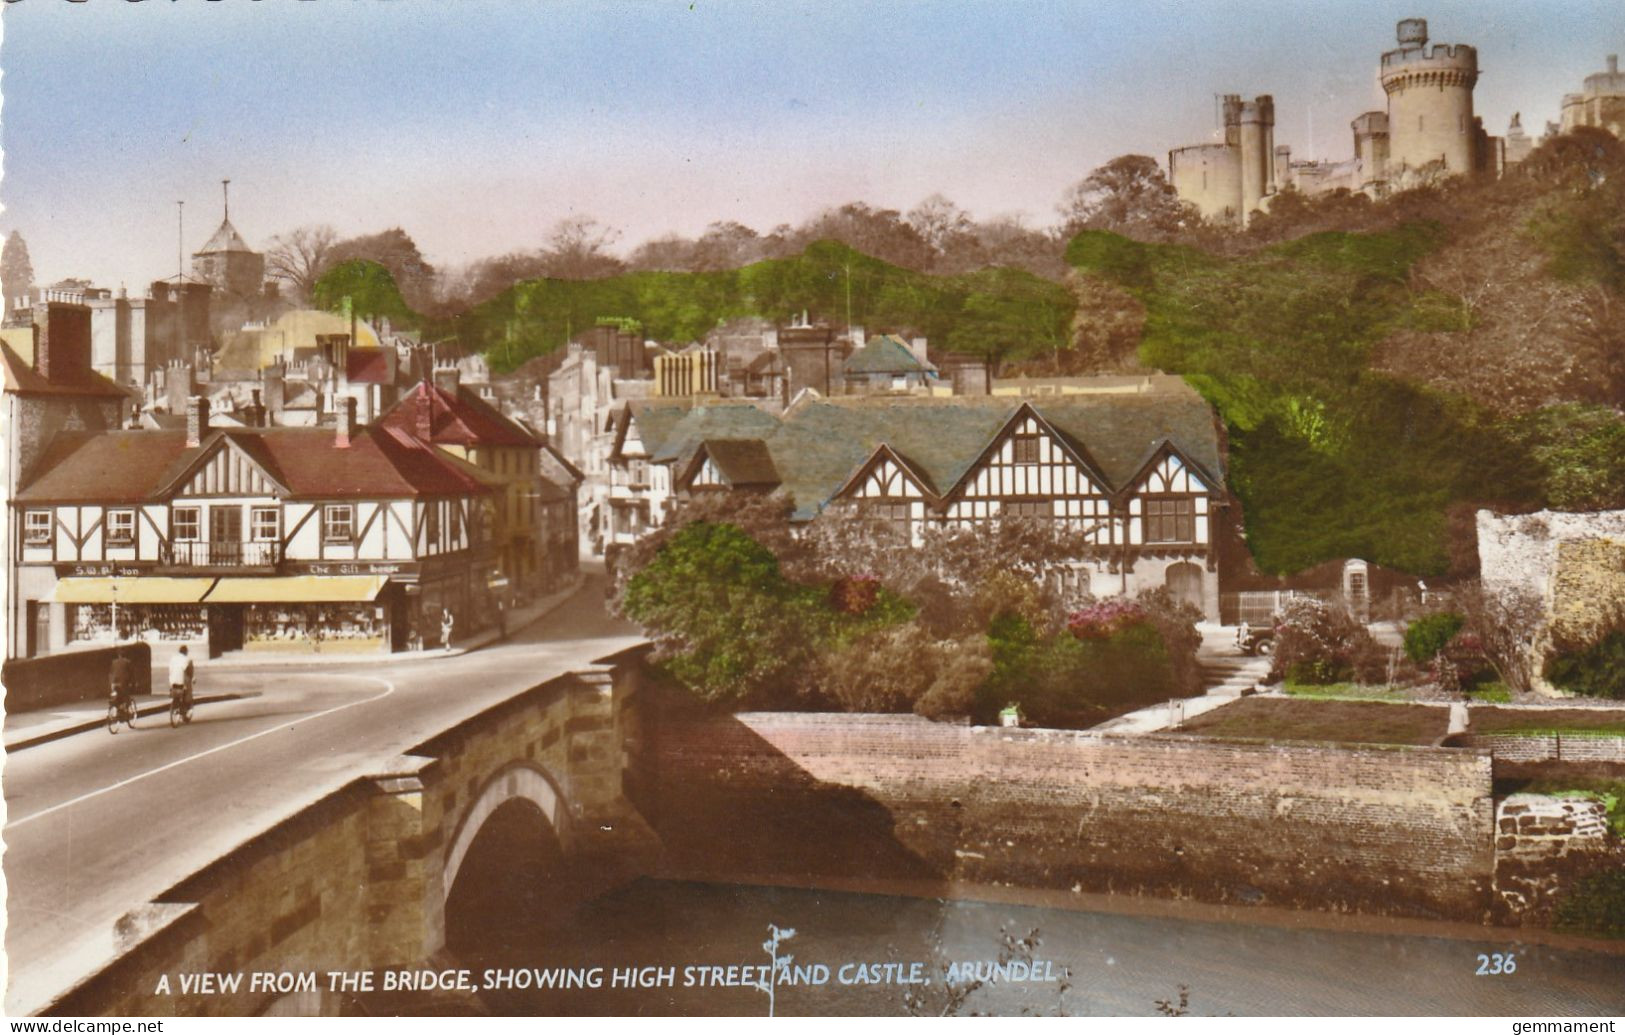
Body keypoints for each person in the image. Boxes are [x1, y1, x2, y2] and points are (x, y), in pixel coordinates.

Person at [109, 648, 136, 717]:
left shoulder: (113, 662)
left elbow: (111, 673)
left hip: (114, 683)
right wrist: (133, 682)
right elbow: (131, 674)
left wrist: (111, 683)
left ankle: (117, 709)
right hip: (123, 683)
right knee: (126, 696)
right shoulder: (127, 662)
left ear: (118, 655)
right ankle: (125, 710)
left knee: (116, 696)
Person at [168, 644, 195, 712]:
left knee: (176, 691)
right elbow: (190, 672)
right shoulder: (188, 660)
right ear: (186, 652)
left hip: (172, 681)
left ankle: (176, 704)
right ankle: (187, 706)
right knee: (188, 689)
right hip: (182, 682)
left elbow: (170, 670)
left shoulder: (173, 658)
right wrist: (192, 678)